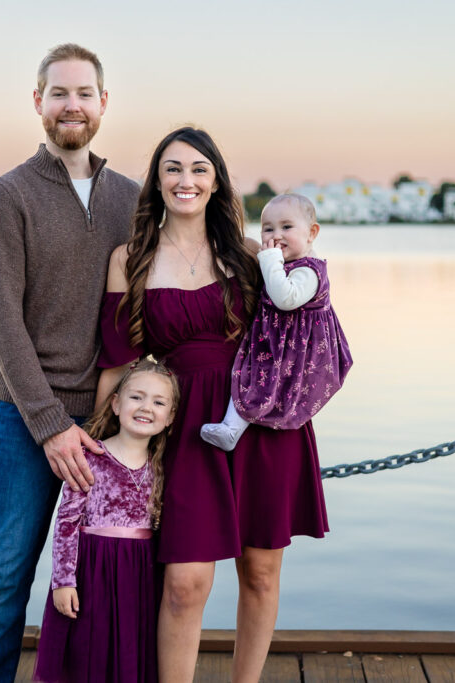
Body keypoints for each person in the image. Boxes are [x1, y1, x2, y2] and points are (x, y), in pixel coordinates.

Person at [96, 127, 328, 683]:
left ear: (216, 180)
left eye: (200, 169)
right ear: (156, 180)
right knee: (185, 583)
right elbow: (116, 361)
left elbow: (304, 327)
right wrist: (97, 446)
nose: (187, 180)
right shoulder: (129, 260)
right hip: (187, 428)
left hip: (263, 424)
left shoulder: (252, 255)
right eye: (174, 168)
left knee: (262, 573)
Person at [0, 43, 140, 683]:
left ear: (103, 104)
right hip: (26, 422)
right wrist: (48, 424)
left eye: (84, 94)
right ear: (38, 102)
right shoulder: (8, 195)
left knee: (110, 580)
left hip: (113, 424)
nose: (73, 106)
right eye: (59, 93)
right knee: (2, 579)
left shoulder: (133, 197)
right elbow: (1, 321)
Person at [34, 359, 178, 683]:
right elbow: (67, 522)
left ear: (170, 418)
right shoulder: (91, 458)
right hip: (91, 570)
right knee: (88, 652)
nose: (146, 408)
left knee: (130, 651)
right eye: (136, 397)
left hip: (139, 574)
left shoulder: (163, 467)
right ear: (115, 404)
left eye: (158, 402)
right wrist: (63, 581)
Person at [200, 193, 352, 451]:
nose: (276, 235)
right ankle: (231, 427)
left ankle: (235, 428)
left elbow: (285, 298)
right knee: (249, 376)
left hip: (294, 350)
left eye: (287, 227)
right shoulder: (288, 263)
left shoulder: (308, 271)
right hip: (274, 341)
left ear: (311, 233)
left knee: (263, 382)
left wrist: (270, 260)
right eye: (268, 229)